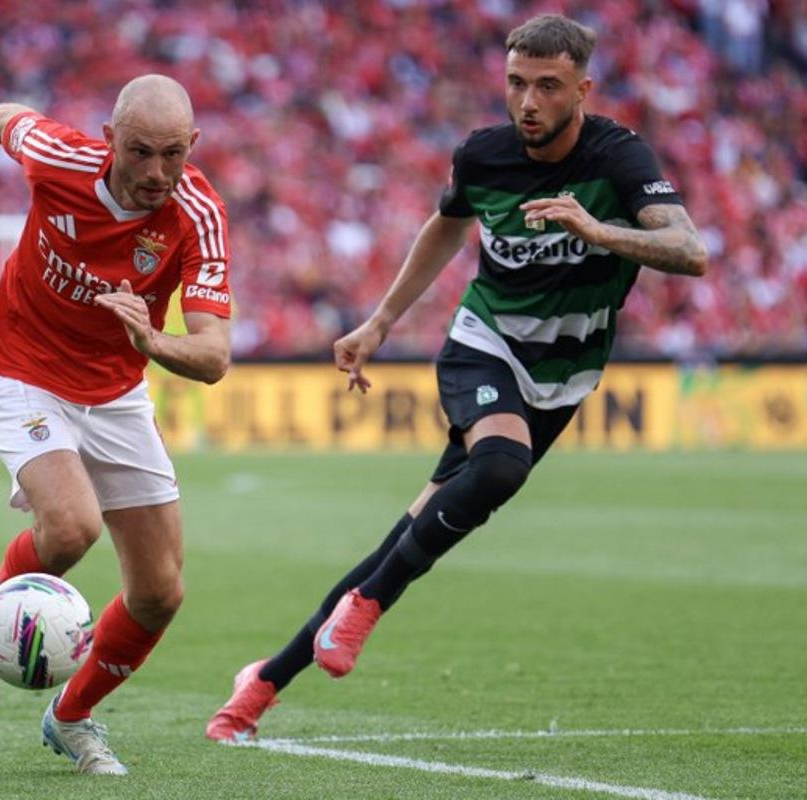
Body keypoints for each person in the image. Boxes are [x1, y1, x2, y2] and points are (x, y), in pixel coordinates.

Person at [206, 14, 706, 742]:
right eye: (516, 83)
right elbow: (446, 224)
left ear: (582, 91)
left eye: (547, 86)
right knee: (499, 467)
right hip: (485, 342)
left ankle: (259, 686)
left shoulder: (619, 158)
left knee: (407, 537)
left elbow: (689, 250)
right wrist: (380, 322)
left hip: (564, 374)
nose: (527, 101)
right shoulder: (484, 156)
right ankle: (366, 608)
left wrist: (598, 231)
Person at [0, 74, 232, 774]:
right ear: (109, 140)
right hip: (22, 369)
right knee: (71, 527)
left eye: (172, 154)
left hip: (117, 389)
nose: (156, 172)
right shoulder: (60, 158)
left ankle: (71, 718)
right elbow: (3, 117)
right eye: (139, 152)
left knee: (159, 592)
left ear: (192, 144)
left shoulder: (198, 213)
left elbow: (215, 355)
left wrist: (151, 341)